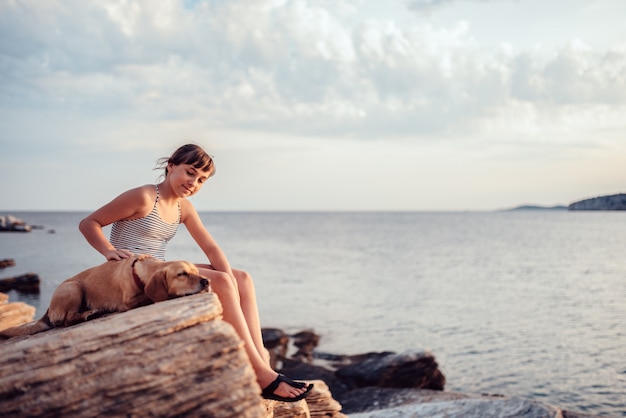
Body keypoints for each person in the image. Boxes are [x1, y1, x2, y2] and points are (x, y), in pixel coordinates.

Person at [79, 143, 313, 402]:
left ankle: (264, 366)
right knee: (223, 281)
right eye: (190, 172)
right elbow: (89, 223)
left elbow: (211, 248)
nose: (194, 182)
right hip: (132, 276)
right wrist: (109, 251)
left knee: (242, 278)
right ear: (171, 166)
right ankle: (262, 377)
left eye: (201, 179)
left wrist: (233, 288)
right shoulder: (144, 197)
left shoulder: (183, 207)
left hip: (159, 268)